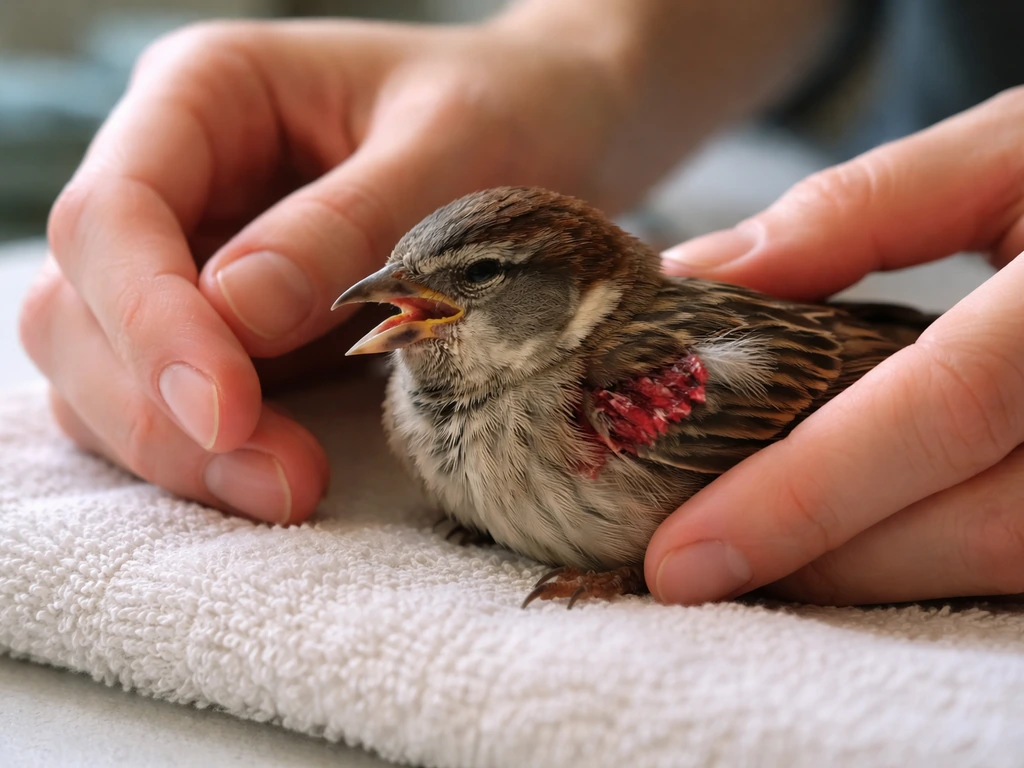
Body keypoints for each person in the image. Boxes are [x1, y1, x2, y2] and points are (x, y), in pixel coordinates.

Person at [17, 0, 1024, 608]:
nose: (399, 302)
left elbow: (872, 370)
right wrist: (591, 60)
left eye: (481, 279)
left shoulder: (617, 385)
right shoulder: (411, 403)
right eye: (405, 279)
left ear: (571, 294)